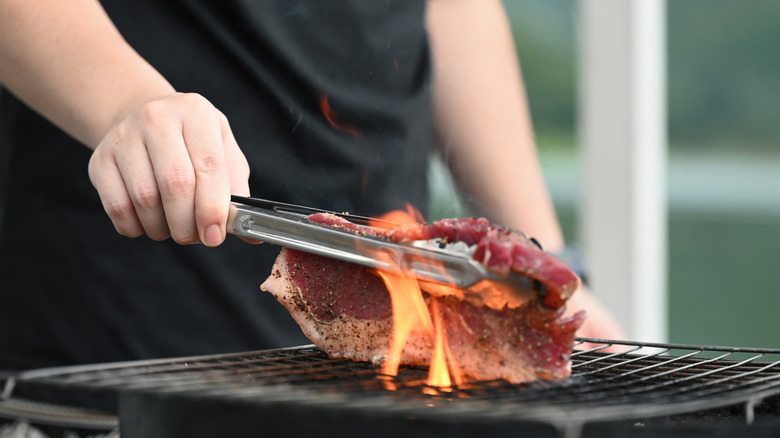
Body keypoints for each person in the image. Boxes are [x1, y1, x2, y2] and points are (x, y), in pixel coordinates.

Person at [0, 0, 623, 376]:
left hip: (402, 337)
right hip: (123, 317)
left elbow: (454, 11)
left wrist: (544, 267)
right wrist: (127, 102)